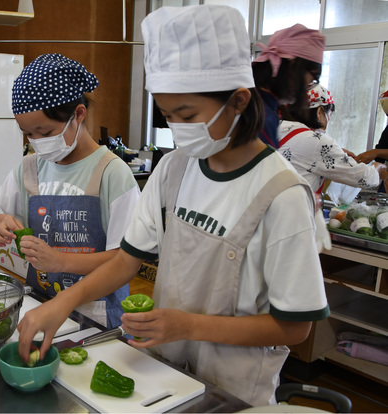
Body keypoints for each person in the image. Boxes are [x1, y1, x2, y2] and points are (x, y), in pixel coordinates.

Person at [17, 5, 329, 406]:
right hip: (162, 375)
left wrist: (188, 325)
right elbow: (125, 262)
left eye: (187, 114)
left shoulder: (281, 194)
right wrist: (62, 304)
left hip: (233, 390)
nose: (179, 129)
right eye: (167, 115)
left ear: (238, 100)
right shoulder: (175, 169)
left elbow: (294, 328)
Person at [0, 53, 140, 328]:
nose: (37, 142)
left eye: (44, 131)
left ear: (78, 114)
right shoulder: (29, 168)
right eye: (28, 134)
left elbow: (124, 259)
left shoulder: (112, 173)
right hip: (41, 302)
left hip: (97, 313)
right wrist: (0, 222)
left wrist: (60, 260)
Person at [278, 83, 385, 192]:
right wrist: (377, 169)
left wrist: (335, 154)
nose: (328, 120)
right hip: (293, 207)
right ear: (319, 112)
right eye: (329, 114)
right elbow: (363, 178)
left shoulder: (276, 128)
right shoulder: (317, 141)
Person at [252, 24, 326, 148]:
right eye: (311, 80)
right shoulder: (260, 114)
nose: (306, 89)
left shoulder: (258, 101)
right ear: (293, 68)